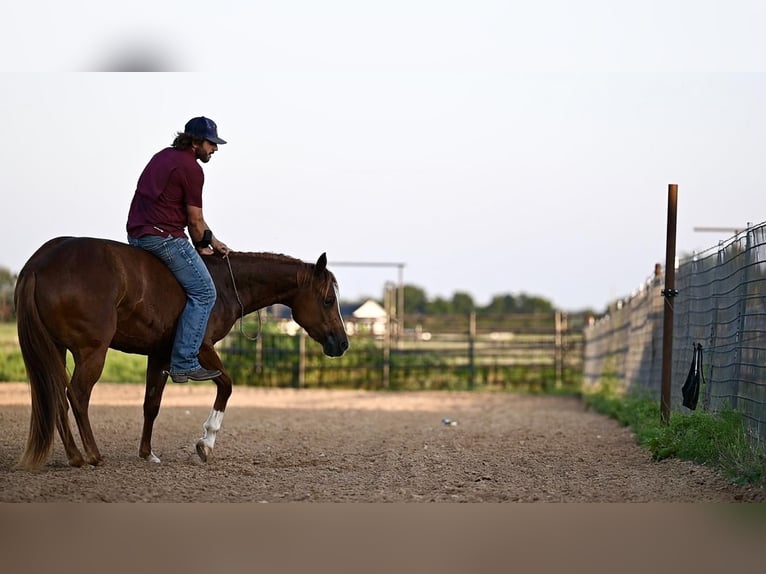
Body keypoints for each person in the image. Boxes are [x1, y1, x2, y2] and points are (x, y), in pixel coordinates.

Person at [126, 116, 230, 383]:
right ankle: (184, 361)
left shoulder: (163, 156)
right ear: (196, 142)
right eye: (211, 143)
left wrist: (204, 243)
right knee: (206, 292)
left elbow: (189, 222)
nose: (215, 149)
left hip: (137, 235)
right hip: (164, 238)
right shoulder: (192, 169)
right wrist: (207, 243)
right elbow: (195, 221)